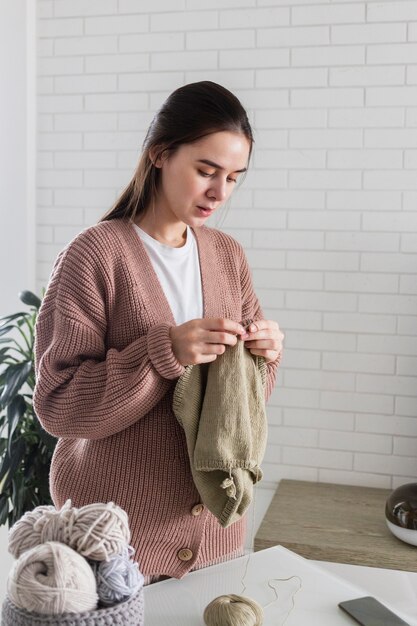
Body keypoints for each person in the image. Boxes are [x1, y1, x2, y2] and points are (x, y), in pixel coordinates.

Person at [33, 81, 284, 582]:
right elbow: (59, 405)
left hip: (215, 537)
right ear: (160, 156)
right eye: (206, 171)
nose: (220, 192)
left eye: (234, 177)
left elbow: (241, 406)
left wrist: (262, 359)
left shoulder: (227, 256)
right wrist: (160, 353)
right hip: (114, 543)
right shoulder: (96, 255)